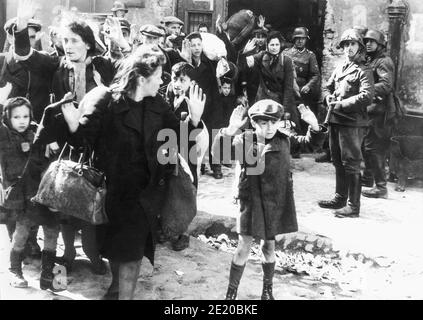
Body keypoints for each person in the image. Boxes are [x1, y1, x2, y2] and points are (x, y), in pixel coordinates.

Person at [60, 45, 206, 300]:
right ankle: (116, 289)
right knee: (117, 250)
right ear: (141, 78)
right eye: (159, 75)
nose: (162, 81)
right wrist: (73, 125)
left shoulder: (158, 104)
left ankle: (122, 295)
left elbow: (179, 139)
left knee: (132, 255)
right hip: (111, 192)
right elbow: (83, 142)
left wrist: (194, 120)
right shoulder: (107, 101)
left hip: (145, 194)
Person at [213, 100, 326, 300]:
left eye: (273, 122)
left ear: (279, 122)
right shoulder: (244, 140)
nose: (269, 127)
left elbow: (310, 144)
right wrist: (229, 131)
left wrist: (315, 126)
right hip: (251, 201)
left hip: (275, 201)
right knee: (243, 246)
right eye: (263, 123)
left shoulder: (285, 140)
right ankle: (230, 295)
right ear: (254, 123)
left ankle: (267, 291)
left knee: (269, 246)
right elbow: (218, 154)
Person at [0, 96, 60, 289]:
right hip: (20, 194)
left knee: (52, 230)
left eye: (25, 116)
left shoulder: (36, 133)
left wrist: (49, 141)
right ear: (7, 117)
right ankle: (14, 270)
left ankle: (48, 274)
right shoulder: (4, 134)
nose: (22, 120)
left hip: (41, 192)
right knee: (21, 233)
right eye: (16, 117)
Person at [318, 28, 374, 218]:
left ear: (359, 47)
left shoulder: (364, 70)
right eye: (346, 45)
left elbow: (367, 96)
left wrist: (342, 104)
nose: (349, 48)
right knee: (337, 160)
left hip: (352, 122)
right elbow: (327, 87)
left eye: (353, 44)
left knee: (351, 163)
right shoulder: (341, 67)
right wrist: (327, 98)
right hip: (335, 120)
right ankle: (340, 198)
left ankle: (353, 206)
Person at [184, 32, 223, 179]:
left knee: (214, 135)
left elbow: (215, 84)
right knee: (195, 135)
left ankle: (216, 165)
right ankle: (198, 165)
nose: (196, 48)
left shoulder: (210, 63)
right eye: (193, 45)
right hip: (193, 105)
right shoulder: (185, 63)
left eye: (198, 44)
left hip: (210, 103)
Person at [361, 29, 394, 199]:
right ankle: (367, 179)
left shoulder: (383, 62)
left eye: (372, 42)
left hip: (381, 112)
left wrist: (366, 90)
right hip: (372, 110)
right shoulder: (371, 59)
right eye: (366, 41)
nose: (368, 44)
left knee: (375, 149)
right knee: (367, 146)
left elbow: (386, 85)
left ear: (380, 44)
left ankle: (381, 187)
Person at [242, 31, 298, 129]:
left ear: (280, 45)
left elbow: (288, 87)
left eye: (277, 44)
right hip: (264, 98)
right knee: (261, 128)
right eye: (272, 44)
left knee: (281, 129)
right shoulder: (262, 56)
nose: (274, 47)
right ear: (267, 45)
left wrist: (285, 109)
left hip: (280, 99)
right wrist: (244, 53)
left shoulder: (286, 61)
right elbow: (245, 65)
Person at [283, 27, 320, 118]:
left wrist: (308, 86)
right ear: (294, 39)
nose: (300, 41)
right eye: (298, 38)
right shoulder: (285, 53)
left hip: (302, 91)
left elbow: (315, 74)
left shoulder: (310, 55)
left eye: (303, 38)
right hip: (287, 89)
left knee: (302, 116)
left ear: (306, 40)